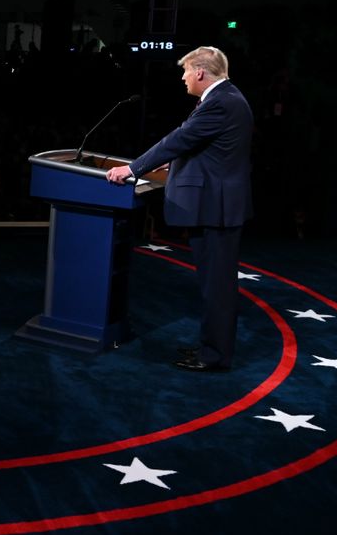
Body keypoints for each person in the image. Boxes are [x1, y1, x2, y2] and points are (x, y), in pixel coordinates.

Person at [106, 46, 253, 372]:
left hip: (218, 210)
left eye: (186, 72)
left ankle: (215, 355)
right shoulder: (225, 98)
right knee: (213, 285)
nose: (183, 78)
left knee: (217, 287)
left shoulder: (221, 103)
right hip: (215, 206)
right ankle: (210, 348)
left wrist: (133, 169)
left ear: (200, 72)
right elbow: (203, 149)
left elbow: (179, 139)